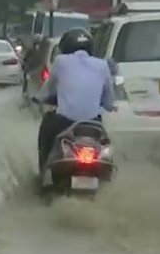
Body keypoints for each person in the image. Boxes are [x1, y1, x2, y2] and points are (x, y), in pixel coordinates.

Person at [36, 28, 117, 172]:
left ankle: (43, 171)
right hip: (93, 123)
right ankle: (106, 175)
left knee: (46, 130)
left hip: (63, 122)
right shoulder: (103, 65)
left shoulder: (60, 61)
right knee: (104, 141)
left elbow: (47, 89)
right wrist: (110, 106)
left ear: (65, 47)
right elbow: (109, 102)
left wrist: (39, 98)